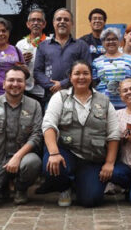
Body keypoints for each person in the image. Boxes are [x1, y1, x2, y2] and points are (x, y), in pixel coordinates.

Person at [38, 60, 121, 207]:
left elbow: (113, 134)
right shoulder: (60, 97)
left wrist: (109, 163)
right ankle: (65, 187)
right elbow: (49, 125)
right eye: (77, 73)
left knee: (90, 200)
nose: (81, 77)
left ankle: (79, 183)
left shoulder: (104, 100)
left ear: (91, 76)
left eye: (85, 73)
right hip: (66, 152)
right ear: (70, 77)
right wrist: (54, 153)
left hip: (92, 158)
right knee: (50, 167)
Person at [0, 66, 43, 208]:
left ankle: (20, 189)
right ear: (4, 83)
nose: (15, 84)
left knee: (33, 162)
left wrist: (17, 156)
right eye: (11, 80)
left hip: (23, 159)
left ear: (25, 84)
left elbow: (36, 136)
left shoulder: (34, 105)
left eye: (20, 81)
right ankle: (2, 186)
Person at [33, 8, 90, 102]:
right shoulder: (43, 46)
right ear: (53, 22)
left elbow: (87, 70)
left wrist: (63, 84)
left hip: (76, 96)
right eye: (59, 19)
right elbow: (37, 71)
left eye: (66, 20)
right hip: (51, 96)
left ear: (72, 24)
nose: (62, 22)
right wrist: (52, 86)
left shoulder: (81, 45)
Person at [92, 27, 131, 110]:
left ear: (119, 41)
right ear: (103, 43)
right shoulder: (96, 61)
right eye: (108, 40)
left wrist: (125, 85)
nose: (111, 42)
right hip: (103, 106)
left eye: (114, 39)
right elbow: (93, 84)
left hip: (126, 105)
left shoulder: (130, 59)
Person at [15, 8, 48, 105]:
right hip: (26, 90)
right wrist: (22, 61)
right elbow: (15, 68)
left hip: (45, 90)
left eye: (39, 20)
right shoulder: (20, 44)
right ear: (28, 24)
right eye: (33, 20)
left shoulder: (51, 42)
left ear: (44, 24)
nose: (36, 23)